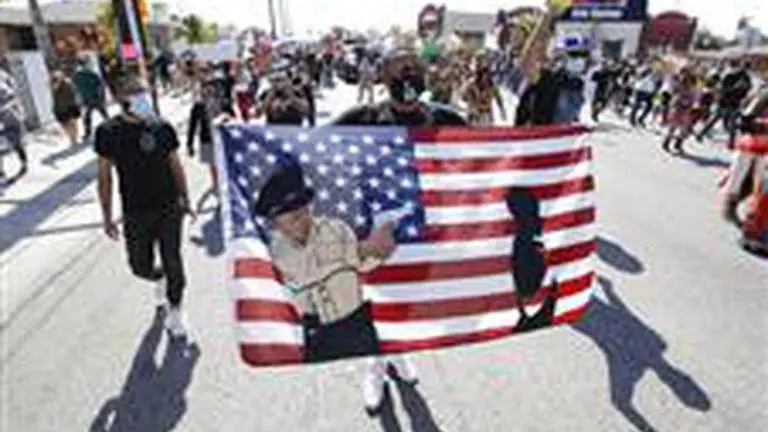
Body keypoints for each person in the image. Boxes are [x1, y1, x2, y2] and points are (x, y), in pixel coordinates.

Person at [332, 42, 466, 414]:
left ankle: (400, 351)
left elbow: (490, 149)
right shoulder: (363, 118)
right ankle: (375, 366)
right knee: (376, 301)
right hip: (376, 234)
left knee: (409, 300)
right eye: (398, 67)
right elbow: (310, 142)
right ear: (384, 75)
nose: (407, 74)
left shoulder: (445, 118)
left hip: (423, 233)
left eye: (413, 66)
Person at [254, 163, 397, 363]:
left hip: (354, 317)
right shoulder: (275, 252)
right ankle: (374, 371)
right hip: (317, 328)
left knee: (379, 349)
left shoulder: (335, 229)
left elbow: (360, 264)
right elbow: (290, 285)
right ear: (276, 222)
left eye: (304, 211)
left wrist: (375, 253)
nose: (303, 220)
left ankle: (398, 363)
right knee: (342, 362)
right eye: (293, 218)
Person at [95, 72, 194, 337]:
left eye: (144, 90)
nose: (143, 96)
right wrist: (106, 216)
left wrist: (186, 198)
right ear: (120, 98)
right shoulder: (107, 132)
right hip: (135, 212)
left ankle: (176, 310)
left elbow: (176, 165)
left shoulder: (161, 127)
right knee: (139, 266)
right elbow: (104, 177)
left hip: (169, 206)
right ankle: (157, 277)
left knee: (173, 259)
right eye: (135, 91)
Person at [721, 88, 768, 254]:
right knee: (743, 181)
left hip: (763, 149)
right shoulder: (764, 94)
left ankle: (754, 230)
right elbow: (746, 119)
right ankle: (733, 211)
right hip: (752, 144)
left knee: (757, 186)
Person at [697, 60, 753, 148]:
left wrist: (741, 92)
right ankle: (701, 134)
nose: (745, 69)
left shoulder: (745, 78)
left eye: (747, 67)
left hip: (733, 102)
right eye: (745, 67)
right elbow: (723, 88)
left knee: (729, 123)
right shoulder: (732, 75)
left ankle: (730, 143)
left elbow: (747, 90)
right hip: (727, 101)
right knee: (717, 120)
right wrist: (734, 89)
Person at [0, 53, 27, 179]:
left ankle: (23, 162)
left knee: (17, 141)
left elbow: (14, 94)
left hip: (9, 114)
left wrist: (18, 109)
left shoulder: (3, 75)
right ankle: (1, 172)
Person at [72, 56, 108, 141]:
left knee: (89, 117)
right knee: (100, 114)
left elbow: (76, 89)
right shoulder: (89, 73)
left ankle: (88, 133)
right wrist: (103, 96)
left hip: (89, 99)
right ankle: (88, 133)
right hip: (93, 98)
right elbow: (101, 85)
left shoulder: (79, 75)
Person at [51, 70, 82, 146]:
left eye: (57, 78)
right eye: (55, 78)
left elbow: (74, 93)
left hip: (69, 106)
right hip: (60, 108)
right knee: (66, 125)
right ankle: (72, 138)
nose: (56, 80)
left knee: (72, 123)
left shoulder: (67, 83)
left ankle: (74, 138)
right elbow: (55, 98)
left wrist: (76, 102)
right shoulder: (53, 86)